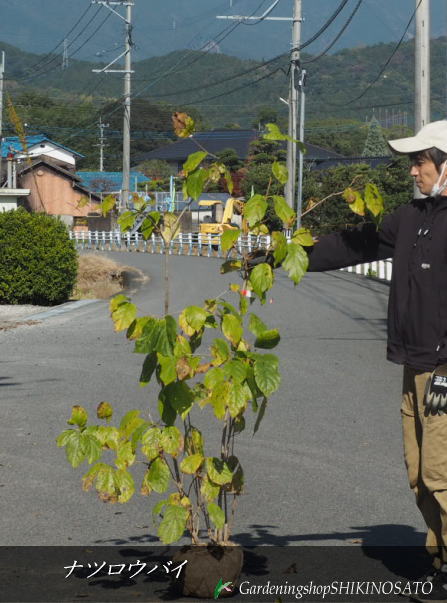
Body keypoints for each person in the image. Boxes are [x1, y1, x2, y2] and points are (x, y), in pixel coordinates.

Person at [304, 120, 447, 602]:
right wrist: (291, 253)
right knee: (419, 472)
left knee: (441, 474)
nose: (413, 170)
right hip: (414, 364)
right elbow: (357, 243)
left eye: (421, 162)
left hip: (445, 369)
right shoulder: (411, 217)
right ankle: (442, 561)